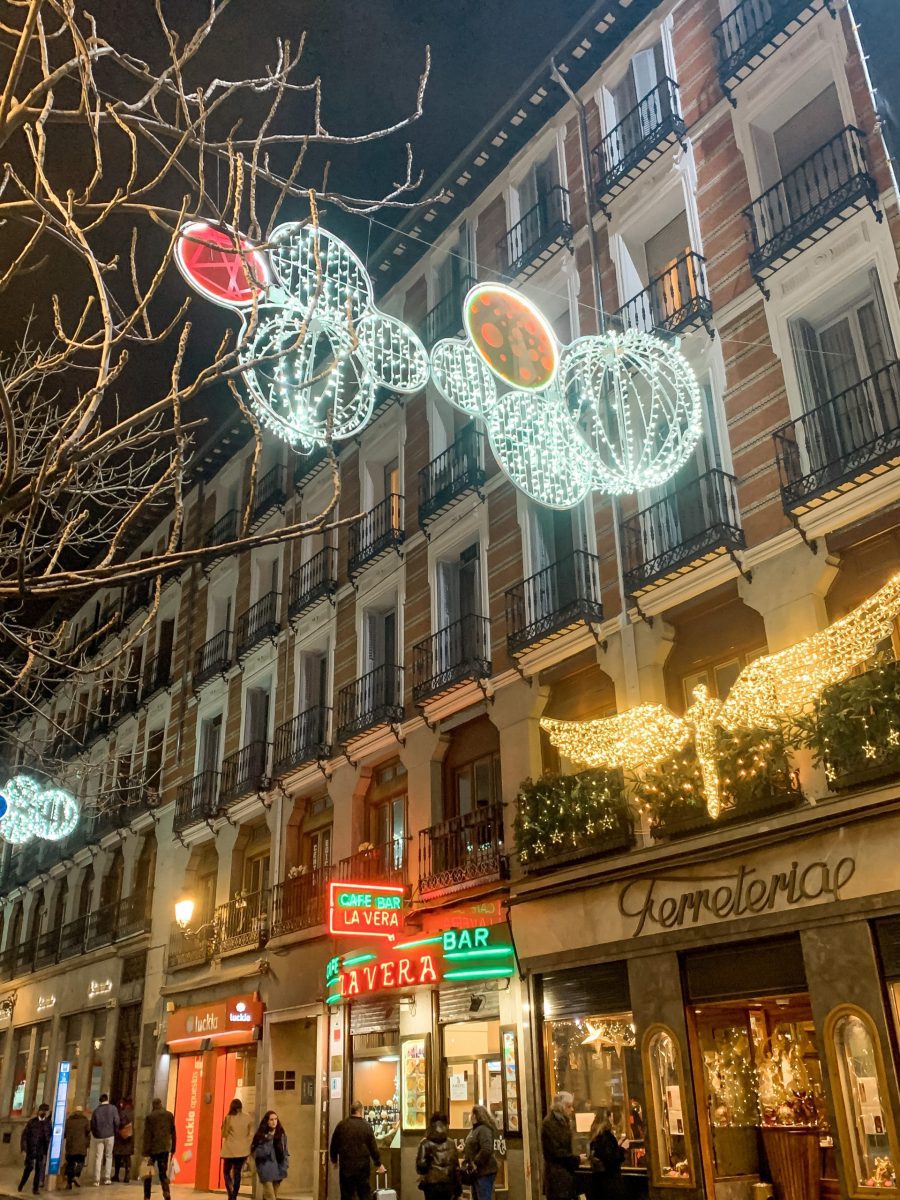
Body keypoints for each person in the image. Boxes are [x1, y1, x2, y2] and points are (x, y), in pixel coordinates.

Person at [329, 1101, 384, 1200]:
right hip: (362, 1167)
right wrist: (378, 1163)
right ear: (360, 1111)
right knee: (364, 1193)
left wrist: (334, 1159)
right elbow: (373, 1147)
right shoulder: (366, 1126)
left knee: (347, 1194)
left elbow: (334, 1143)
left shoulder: (342, 1125)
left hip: (346, 1166)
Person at [541, 1092, 580, 1200]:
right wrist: (576, 1159)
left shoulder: (564, 1122)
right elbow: (556, 1151)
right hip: (557, 1178)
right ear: (561, 1107)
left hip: (565, 1176)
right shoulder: (549, 1123)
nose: (571, 1109)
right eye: (569, 1106)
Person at [416, 1113, 461, 1200]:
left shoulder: (425, 1143)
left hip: (431, 1185)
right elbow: (456, 1168)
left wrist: (429, 1163)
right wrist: (458, 1189)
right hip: (449, 1183)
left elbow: (420, 1166)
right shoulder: (451, 1143)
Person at [141, 1098, 176, 1200]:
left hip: (152, 1149)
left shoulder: (150, 1117)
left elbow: (147, 1136)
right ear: (161, 1104)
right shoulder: (169, 1115)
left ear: (153, 1105)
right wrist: (173, 1148)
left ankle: (147, 1196)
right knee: (163, 1173)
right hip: (164, 1148)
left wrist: (145, 1152)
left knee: (148, 1174)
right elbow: (173, 1132)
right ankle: (166, 1192)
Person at [220, 1098, 254, 1200]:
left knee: (226, 1172)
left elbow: (224, 1134)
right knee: (237, 1172)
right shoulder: (248, 1117)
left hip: (230, 1151)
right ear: (241, 1107)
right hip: (243, 1151)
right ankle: (234, 1195)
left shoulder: (229, 1118)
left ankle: (231, 1194)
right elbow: (250, 1133)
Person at [251, 1112, 289, 1200]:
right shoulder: (261, 1135)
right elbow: (259, 1153)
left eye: (276, 1119)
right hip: (266, 1168)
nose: (274, 1122)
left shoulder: (281, 1134)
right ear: (267, 1121)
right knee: (270, 1197)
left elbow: (285, 1151)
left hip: (279, 1169)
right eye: (271, 1119)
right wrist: (269, 1138)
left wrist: (285, 1165)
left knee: (273, 1195)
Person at [462, 1106, 498, 1200]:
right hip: (476, 1173)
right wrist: (463, 1150)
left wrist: (475, 1163)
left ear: (475, 1115)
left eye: (471, 1114)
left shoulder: (484, 1129)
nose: (470, 1116)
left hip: (484, 1172)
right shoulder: (475, 1130)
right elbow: (473, 1145)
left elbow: (486, 1149)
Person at [588, 1112, 625, 1200]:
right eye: (611, 1117)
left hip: (598, 1181)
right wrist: (623, 1148)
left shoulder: (595, 1137)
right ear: (607, 1119)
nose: (612, 1120)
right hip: (609, 1182)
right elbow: (612, 1159)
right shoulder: (607, 1136)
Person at [19, 1103, 52, 1194]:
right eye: (43, 1111)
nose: (44, 1113)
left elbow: (50, 1135)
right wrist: (24, 1148)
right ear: (39, 1111)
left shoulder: (48, 1123)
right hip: (31, 1148)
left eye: (46, 1111)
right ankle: (22, 1184)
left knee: (39, 1169)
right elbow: (25, 1136)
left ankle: (35, 1188)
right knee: (29, 1168)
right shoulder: (32, 1122)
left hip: (41, 1150)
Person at [89, 1094, 120, 1185]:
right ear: (107, 1099)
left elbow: (93, 1124)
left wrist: (95, 1134)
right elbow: (117, 1121)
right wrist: (115, 1131)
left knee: (98, 1157)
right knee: (109, 1156)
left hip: (99, 1136)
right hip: (110, 1135)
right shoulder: (113, 1108)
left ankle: (96, 1179)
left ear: (100, 1101)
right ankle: (107, 1178)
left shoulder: (96, 1111)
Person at [64, 1107, 92, 1190]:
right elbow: (88, 1131)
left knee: (70, 1164)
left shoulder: (68, 1121)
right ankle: (76, 1175)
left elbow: (65, 1133)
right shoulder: (85, 1120)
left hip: (70, 1146)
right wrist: (87, 1143)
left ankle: (69, 1183)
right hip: (81, 1146)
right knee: (81, 1162)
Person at [113, 1098, 135, 1183]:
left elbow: (120, 1122)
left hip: (121, 1137)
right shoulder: (132, 1111)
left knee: (118, 1157)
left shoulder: (123, 1112)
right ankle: (127, 1175)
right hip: (129, 1138)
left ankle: (116, 1175)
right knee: (127, 1158)